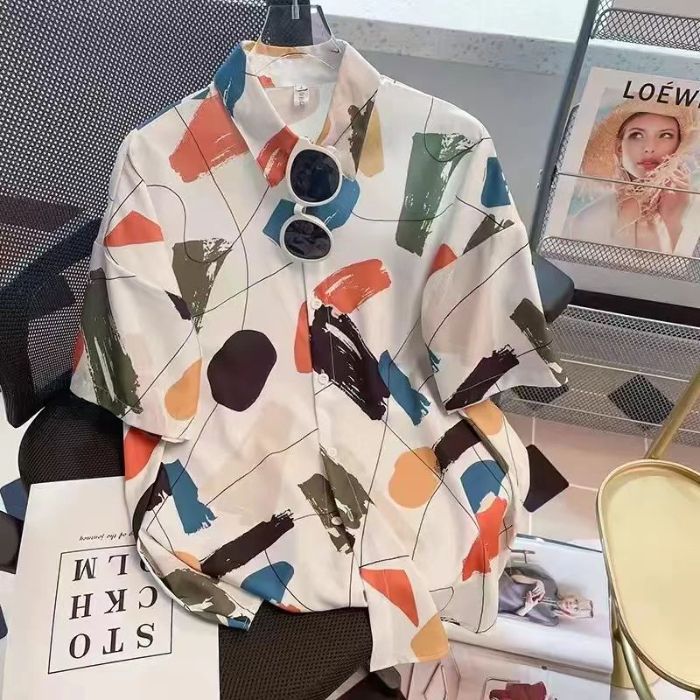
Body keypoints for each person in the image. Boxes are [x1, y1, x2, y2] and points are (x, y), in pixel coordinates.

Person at [564, 98, 699, 256]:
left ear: (678, 146)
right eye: (637, 135)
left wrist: (673, 220)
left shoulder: (693, 209)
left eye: (665, 135)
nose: (649, 148)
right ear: (619, 148)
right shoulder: (586, 220)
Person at [498, 562, 593, 626]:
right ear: (572, 596)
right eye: (575, 601)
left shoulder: (550, 620)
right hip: (501, 580)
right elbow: (514, 575)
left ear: (572, 615)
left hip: (497, 603)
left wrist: (528, 607)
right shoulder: (551, 584)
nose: (572, 604)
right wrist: (536, 581)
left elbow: (515, 618)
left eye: (576, 609)